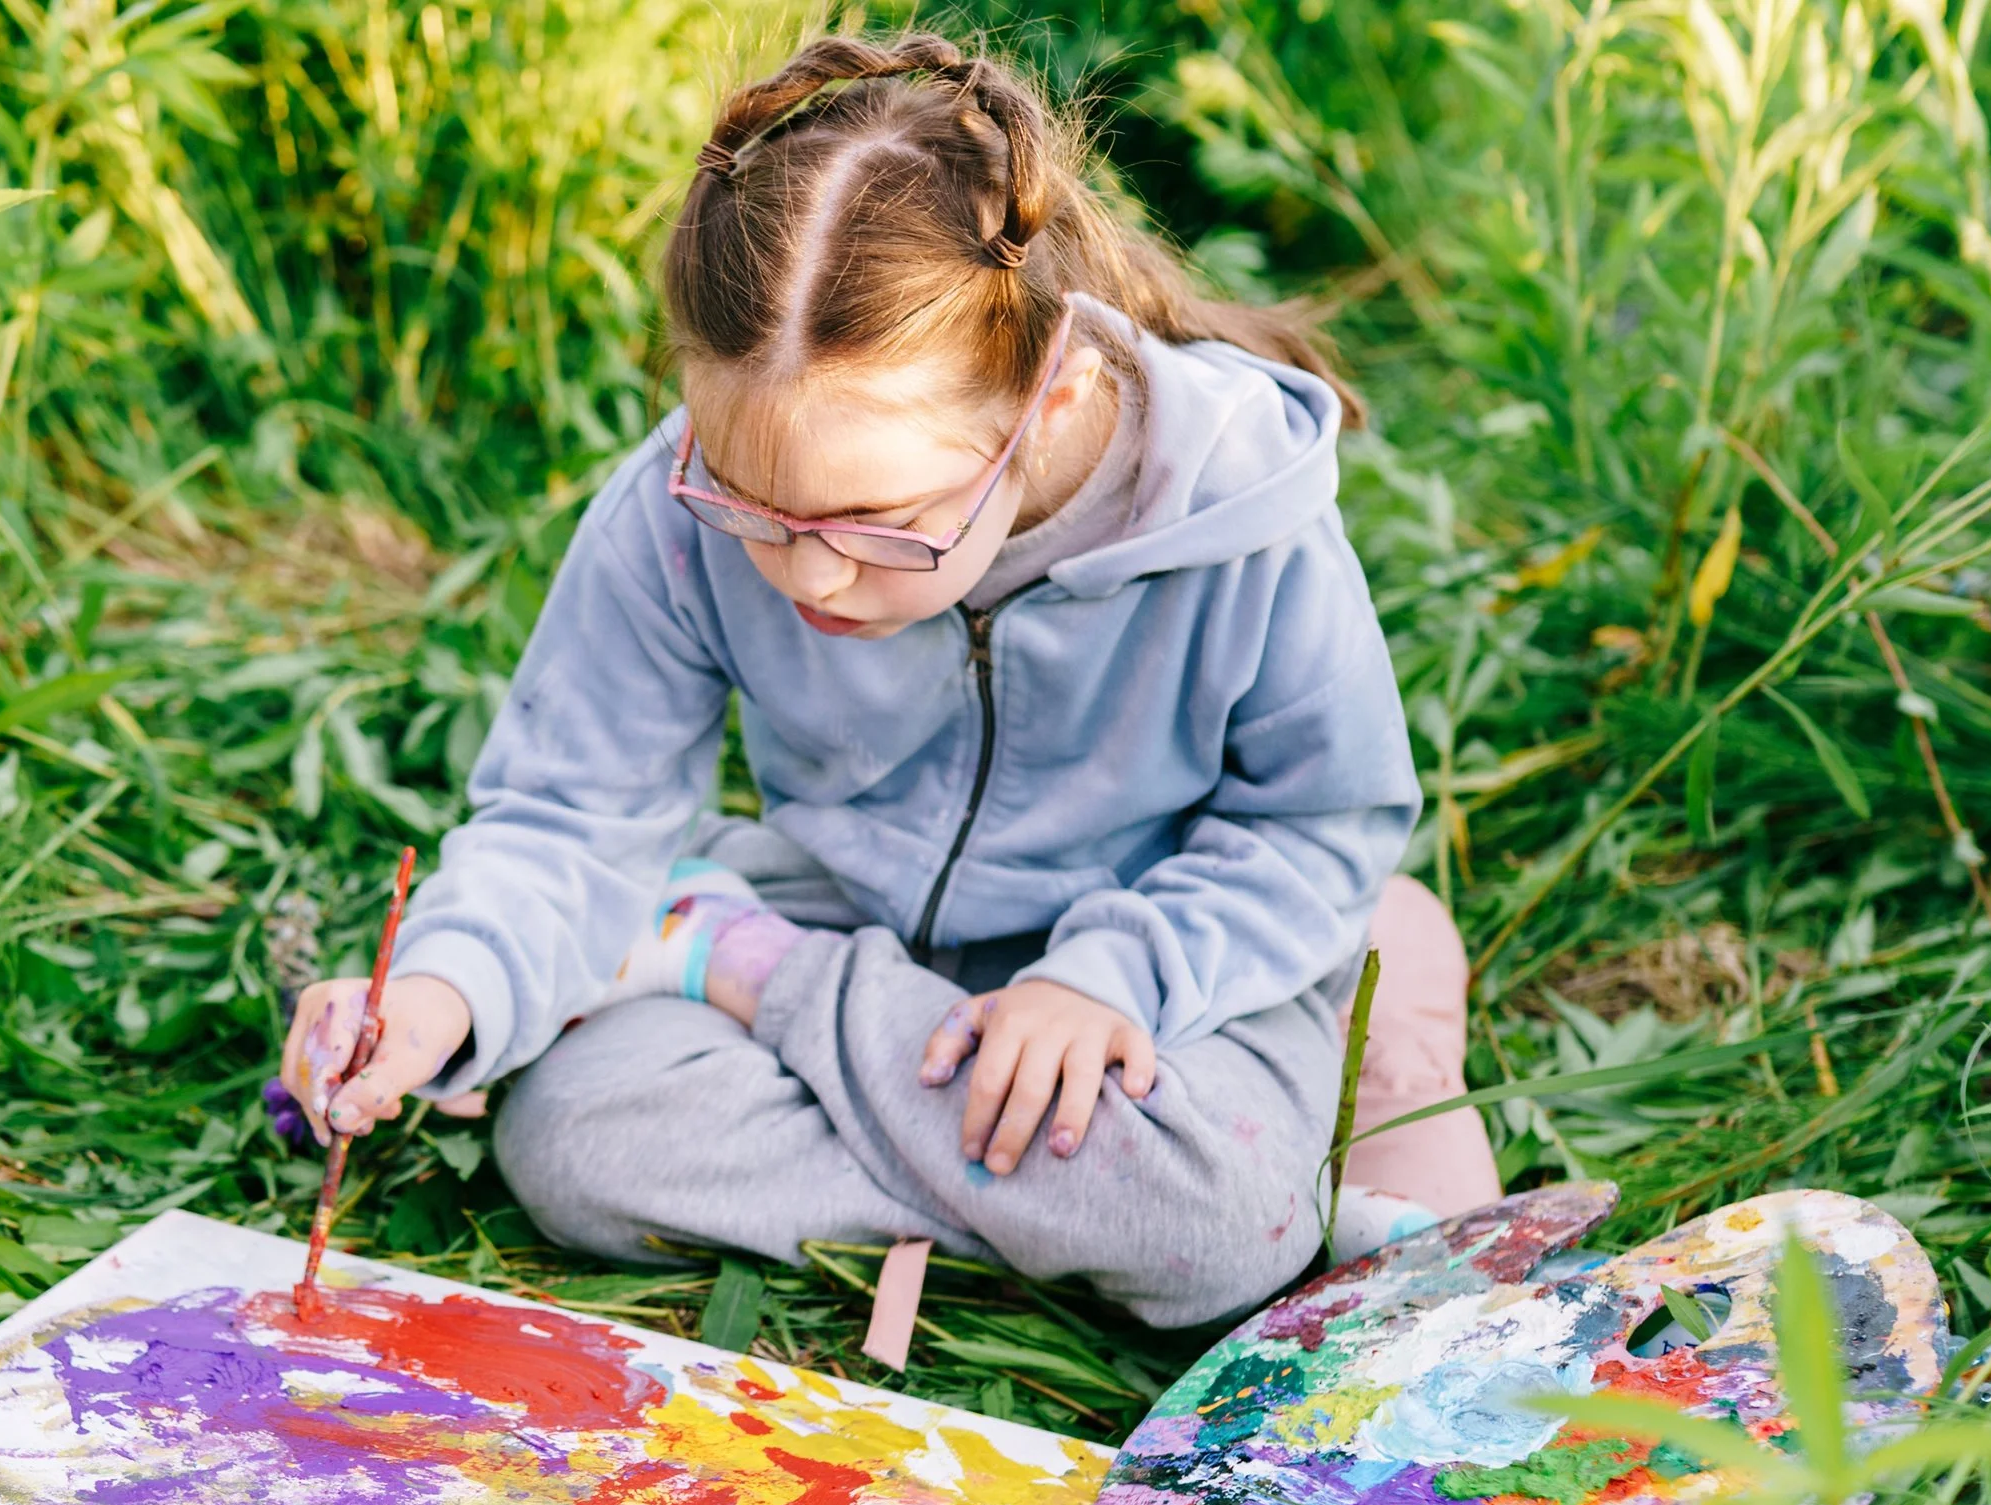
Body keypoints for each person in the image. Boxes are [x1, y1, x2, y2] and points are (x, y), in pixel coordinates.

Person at [279, 32, 1498, 1329]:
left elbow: (1318, 822)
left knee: (1207, 1223)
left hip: (1153, 964)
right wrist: (442, 990)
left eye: (873, 522)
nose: (806, 578)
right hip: (849, 914)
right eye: (751, 507)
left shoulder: (1243, 524)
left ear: (1055, 388)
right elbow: (573, 812)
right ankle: (1023, 1178)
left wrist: (1103, 980)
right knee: (573, 1146)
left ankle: (724, 961)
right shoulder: (678, 507)